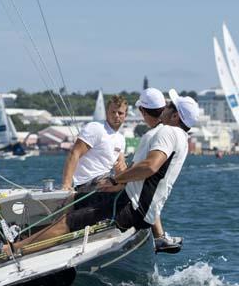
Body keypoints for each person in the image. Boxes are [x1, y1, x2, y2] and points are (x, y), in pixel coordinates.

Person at [12, 88, 199, 255]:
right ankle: (24, 242)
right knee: (74, 204)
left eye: (169, 106)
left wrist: (115, 180)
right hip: (137, 207)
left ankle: (10, 249)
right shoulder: (182, 138)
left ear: (175, 116)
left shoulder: (168, 132)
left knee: (67, 221)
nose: (164, 108)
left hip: (129, 207)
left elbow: (150, 166)